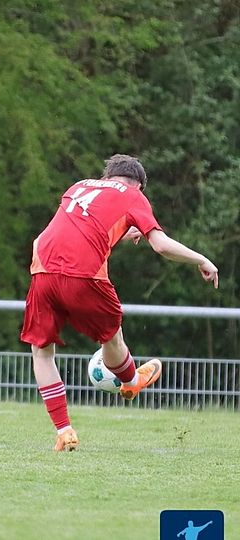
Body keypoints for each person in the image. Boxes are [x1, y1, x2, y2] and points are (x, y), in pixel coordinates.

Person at [21, 154, 219, 451]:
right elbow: (161, 245)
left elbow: (74, 231)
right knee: (112, 336)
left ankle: (64, 430)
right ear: (138, 185)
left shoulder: (77, 188)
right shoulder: (133, 196)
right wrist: (201, 259)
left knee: (41, 352)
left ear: (106, 177)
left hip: (42, 269)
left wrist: (124, 233)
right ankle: (130, 380)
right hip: (84, 275)